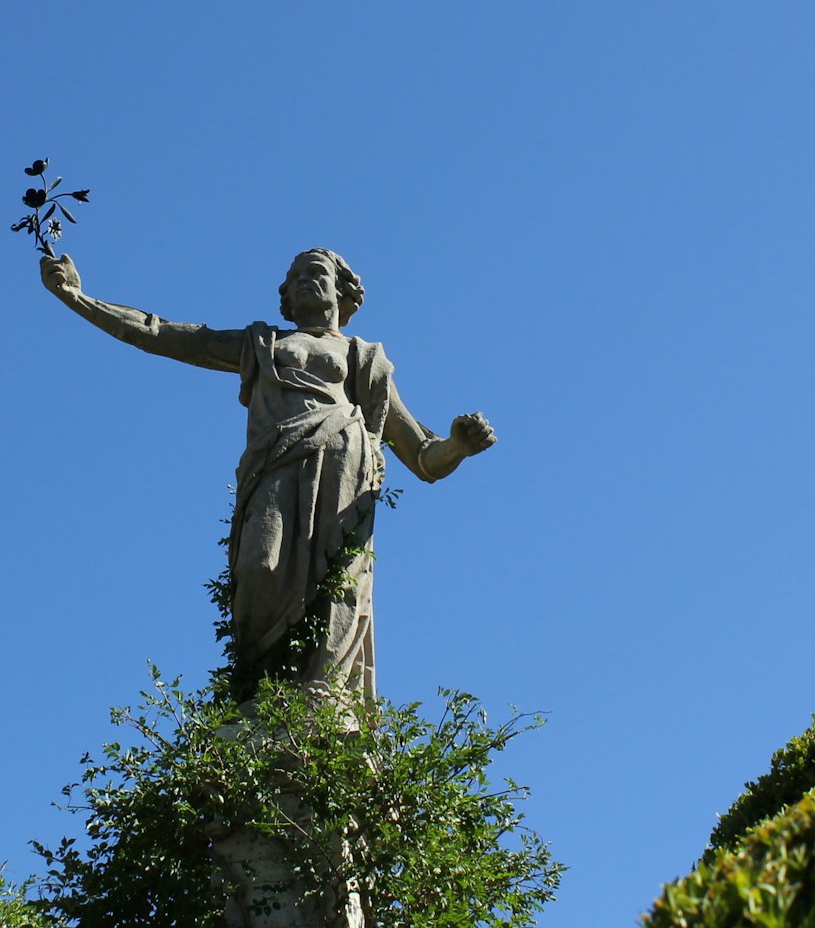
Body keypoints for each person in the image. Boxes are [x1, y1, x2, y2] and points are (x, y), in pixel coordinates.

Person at [40, 248, 495, 694]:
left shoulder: (365, 357)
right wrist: (81, 300)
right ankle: (258, 690)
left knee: (336, 579)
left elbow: (421, 456)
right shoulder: (262, 343)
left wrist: (458, 446)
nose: (302, 280)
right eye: (293, 276)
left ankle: (324, 690)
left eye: (314, 272)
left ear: (343, 291)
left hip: (342, 470)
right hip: (273, 467)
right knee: (259, 566)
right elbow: (166, 335)